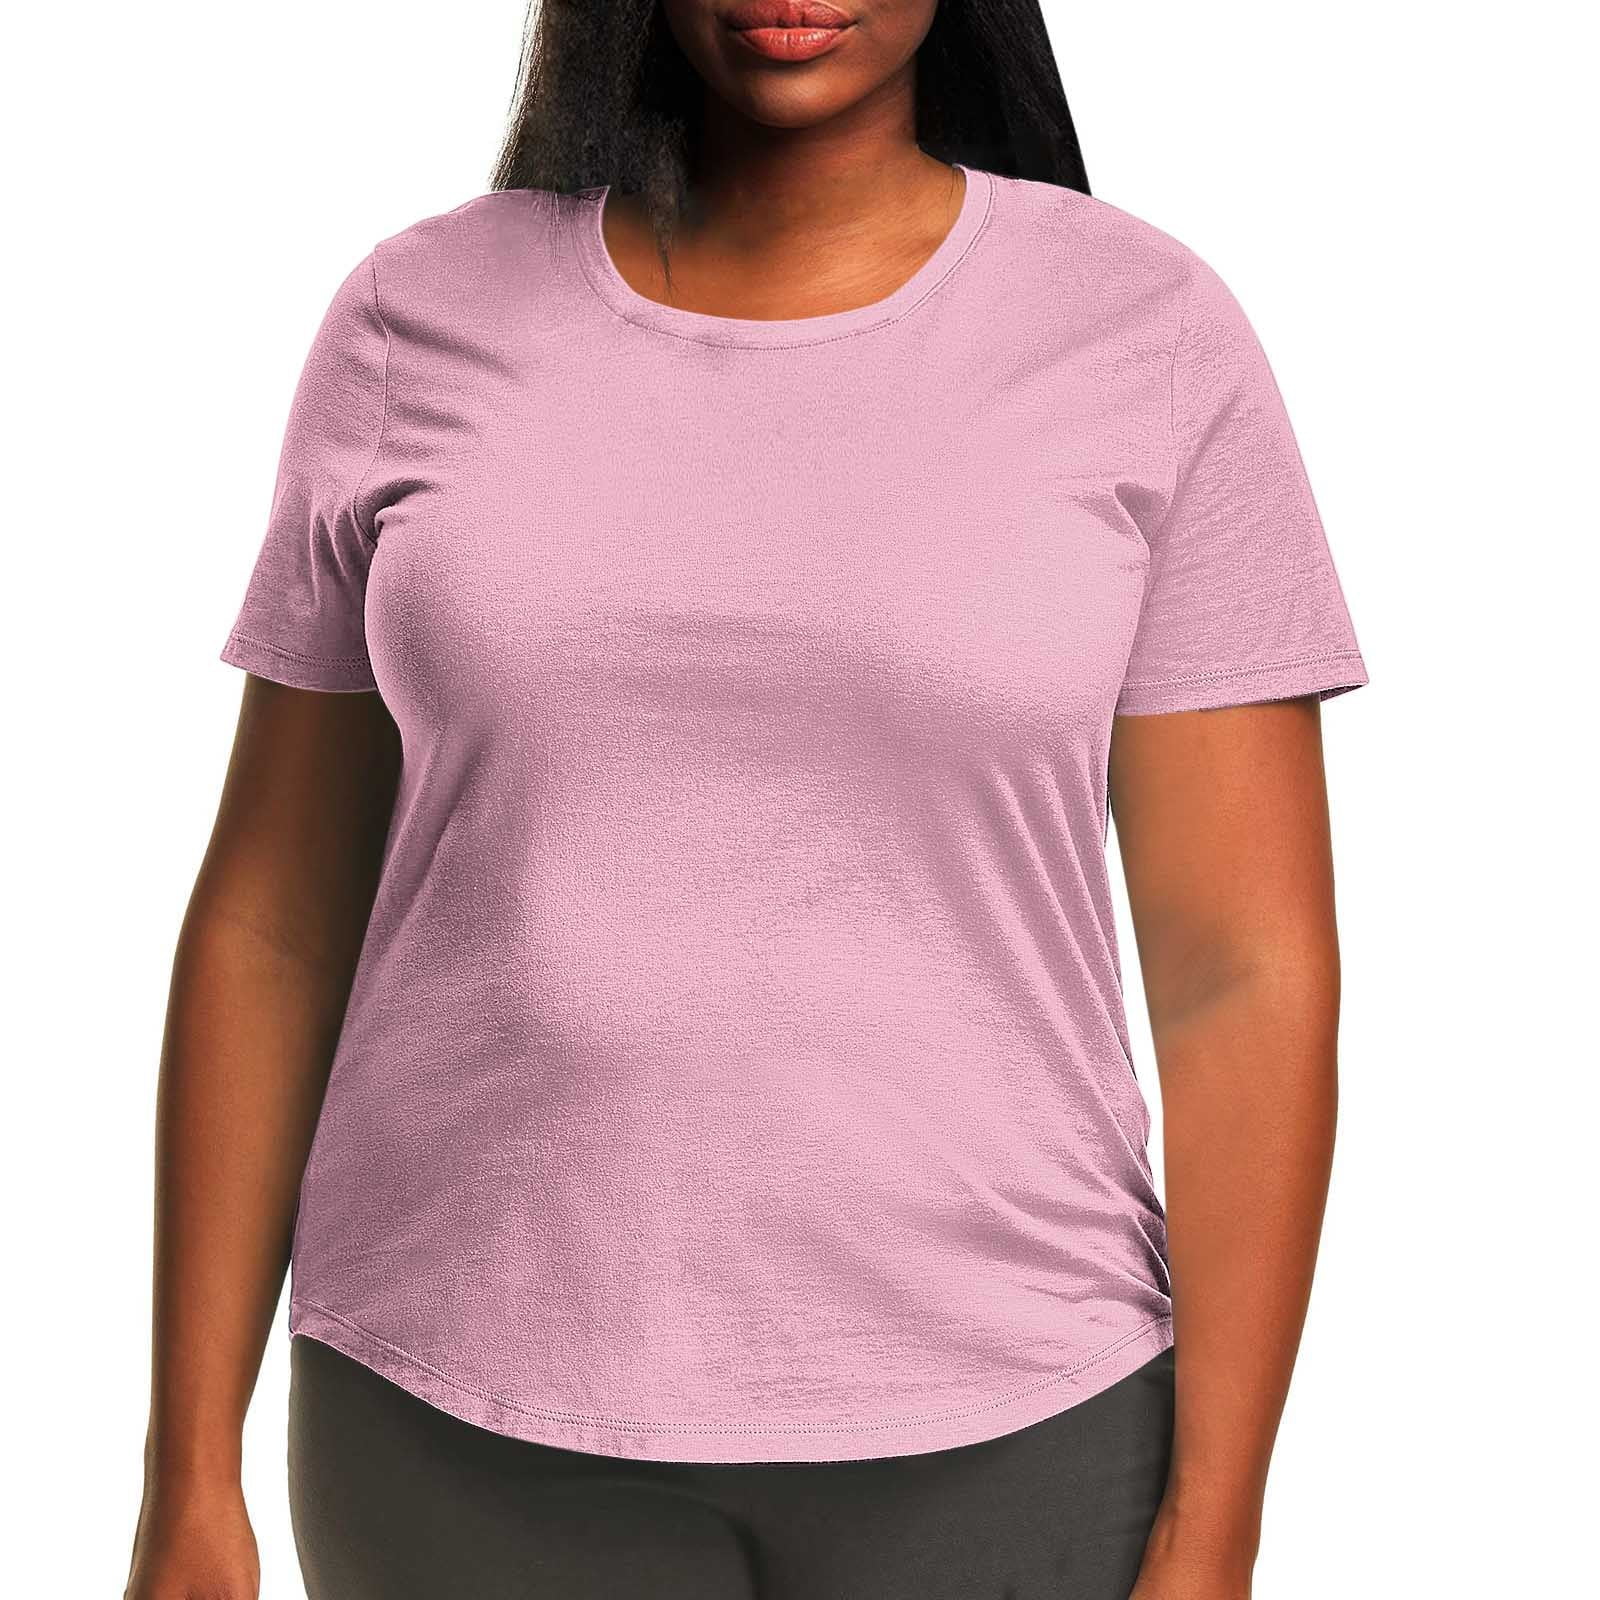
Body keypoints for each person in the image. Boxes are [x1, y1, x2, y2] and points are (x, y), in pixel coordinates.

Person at [124, 3, 1368, 1597]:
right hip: (454, 1426)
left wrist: (1216, 1523)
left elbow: (1242, 971)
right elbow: (274, 924)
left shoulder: (1144, 334)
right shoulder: (413, 320)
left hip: (1020, 1427)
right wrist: (186, 1471)